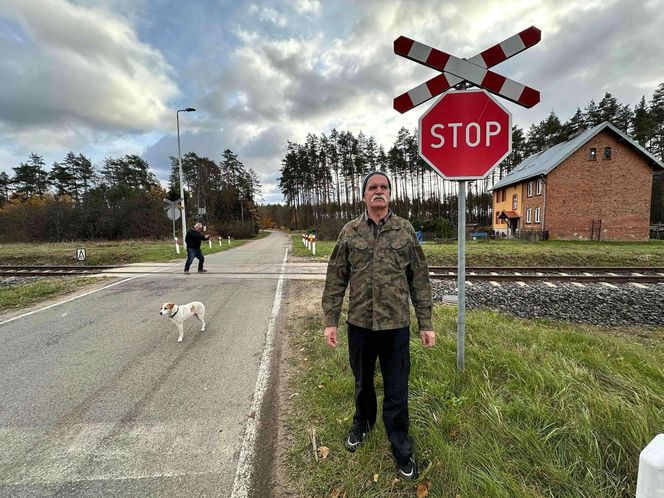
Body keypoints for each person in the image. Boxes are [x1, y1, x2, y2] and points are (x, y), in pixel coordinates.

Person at [322, 171, 435, 480]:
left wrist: (426, 323)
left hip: (395, 325)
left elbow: (420, 279)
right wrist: (330, 321)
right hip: (359, 323)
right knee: (362, 384)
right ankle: (363, 423)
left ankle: (400, 445)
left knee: (397, 389)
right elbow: (336, 278)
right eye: (373, 187)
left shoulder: (405, 230)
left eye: (384, 187)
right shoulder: (350, 231)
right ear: (364, 196)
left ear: (390, 195)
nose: (378, 191)